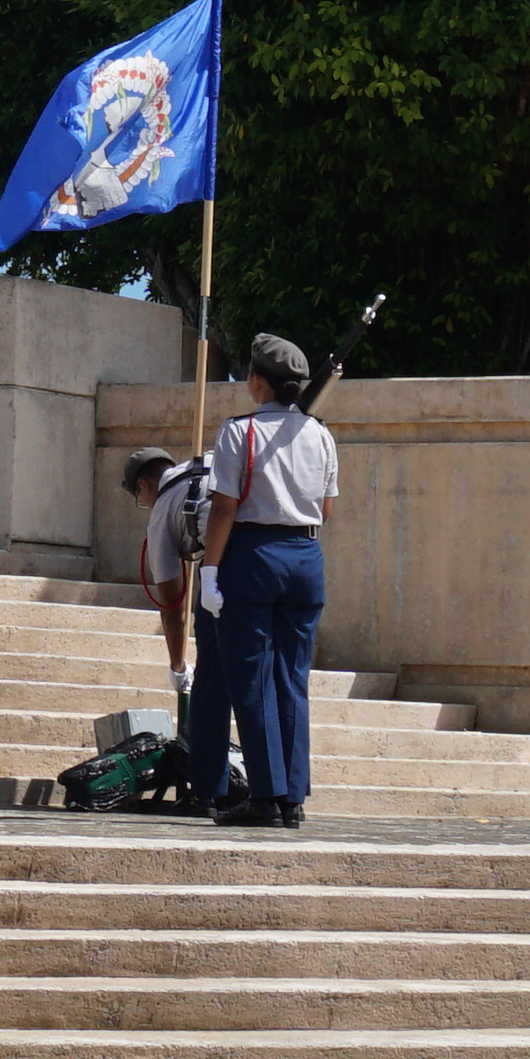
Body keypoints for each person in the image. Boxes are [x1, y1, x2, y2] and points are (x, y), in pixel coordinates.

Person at [192, 333, 346, 830]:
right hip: (306, 556)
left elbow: (224, 507)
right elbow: (324, 508)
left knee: (253, 680)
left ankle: (264, 795)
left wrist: (210, 571)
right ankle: (292, 796)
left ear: (258, 381)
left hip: (254, 554)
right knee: (292, 681)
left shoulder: (240, 432)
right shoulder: (321, 434)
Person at [122, 443, 206, 694]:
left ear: (144, 485)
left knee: (211, 668)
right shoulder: (203, 467)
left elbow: (172, 608)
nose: (145, 505)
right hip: (284, 548)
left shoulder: (162, 510)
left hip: (232, 567)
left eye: (140, 500)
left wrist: (177, 666)